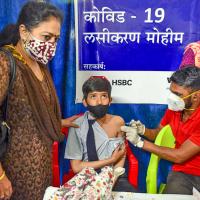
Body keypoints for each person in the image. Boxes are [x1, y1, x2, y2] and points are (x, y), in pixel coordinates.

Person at [0, 2, 79, 199]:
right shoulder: (5, 63)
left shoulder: (39, 64)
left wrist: (58, 123)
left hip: (41, 169)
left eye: (56, 39)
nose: (51, 44)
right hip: (13, 171)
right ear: (24, 32)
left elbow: (27, 114)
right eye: (46, 37)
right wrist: (0, 175)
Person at [121, 66, 200, 194]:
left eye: (178, 94)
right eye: (171, 92)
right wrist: (143, 130)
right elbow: (159, 133)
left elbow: (180, 156)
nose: (172, 98)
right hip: (183, 173)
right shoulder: (176, 108)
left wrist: (140, 143)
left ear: (195, 96)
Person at [64, 76, 137, 193]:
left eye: (104, 96)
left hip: (114, 177)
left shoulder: (118, 122)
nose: (99, 101)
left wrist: (112, 177)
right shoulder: (77, 126)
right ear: (85, 102)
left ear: (110, 100)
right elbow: (76, 167)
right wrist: (110, 160)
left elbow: (121, 155)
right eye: (93, 96)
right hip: (86, 177)